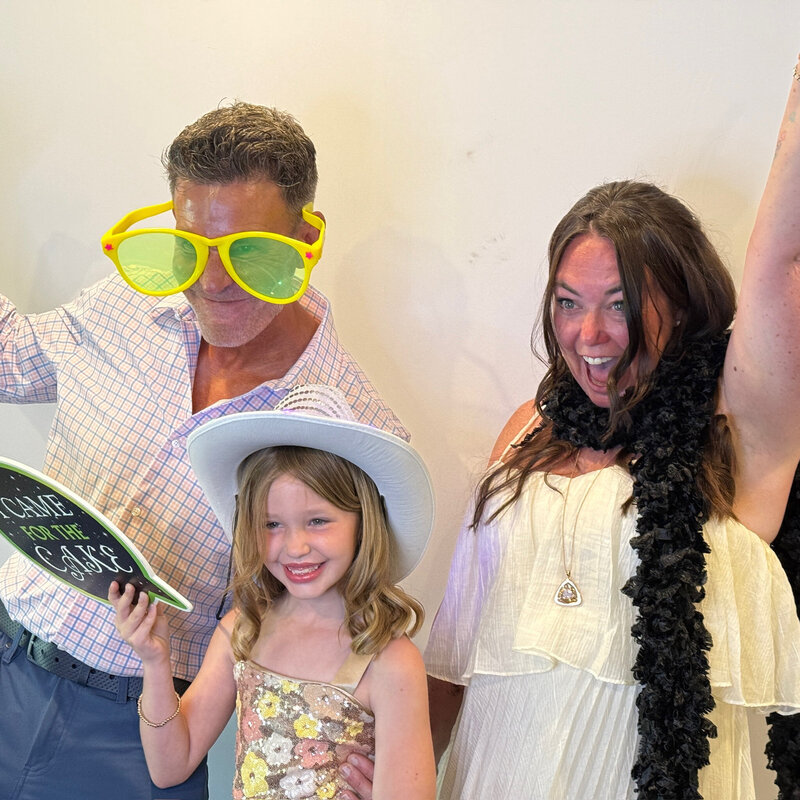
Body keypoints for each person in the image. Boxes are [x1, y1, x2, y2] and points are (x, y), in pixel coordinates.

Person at [425, 57, 800, 799]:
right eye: (568, 302)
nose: (588, 334)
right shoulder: (527, 429)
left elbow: (784, 264)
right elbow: (458, 655)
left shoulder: (733, 427)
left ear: (683, 305)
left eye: (621, 304)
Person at [0, 103, 399, 799]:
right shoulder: (122, 305)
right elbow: (11, 361)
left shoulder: (350, 430)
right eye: (190, 247)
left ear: (306, 238)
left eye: (247, 251)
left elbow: (339, 632)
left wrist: (359, 764)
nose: (210, 282)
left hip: (143, 737)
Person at [109, 385, 437, 799]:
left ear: (363, 522)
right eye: (271, 524)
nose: (294, 547)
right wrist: (156, 662)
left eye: (317, 521)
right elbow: (169, 767)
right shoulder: (243, 629)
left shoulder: (389, 660)